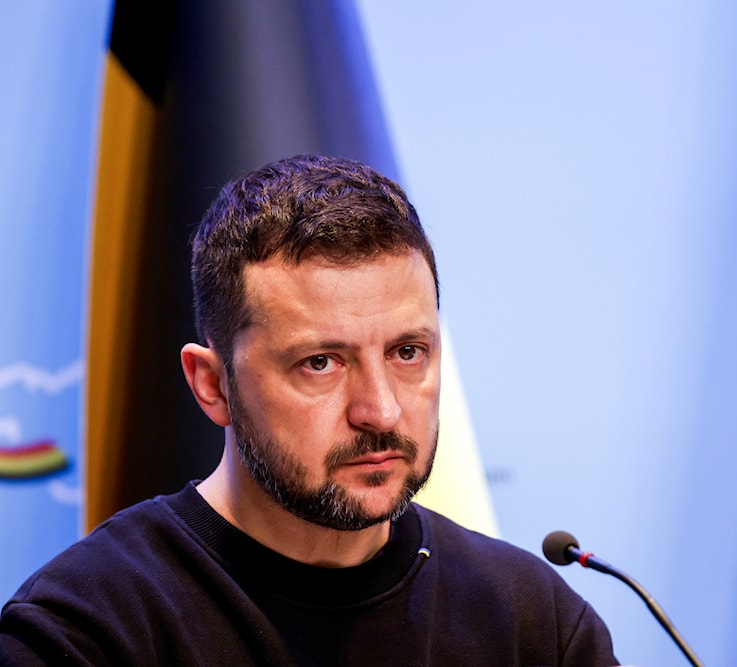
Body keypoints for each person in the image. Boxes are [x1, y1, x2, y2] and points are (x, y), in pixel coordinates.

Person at [0, 155, 618, 665]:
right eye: (320, 362)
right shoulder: (85, 633)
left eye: (408, 352)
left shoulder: (535, 624)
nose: (380, 410)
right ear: (212, 384)